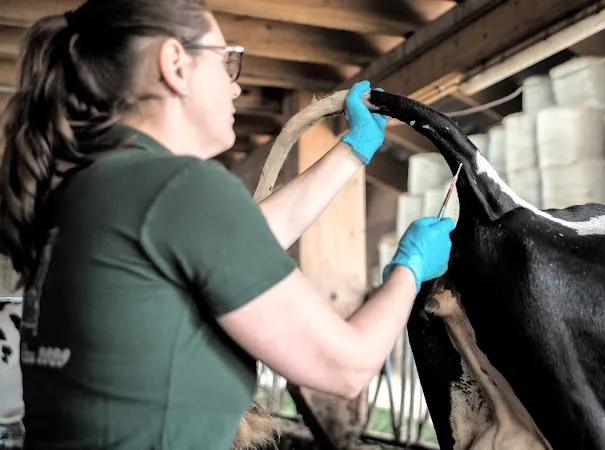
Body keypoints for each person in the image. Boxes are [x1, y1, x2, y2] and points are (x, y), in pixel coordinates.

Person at [0, 1, 456, 449]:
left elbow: (242, 241)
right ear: (175, 63)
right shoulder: (178, 187)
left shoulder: (93, 189)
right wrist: (410, 268)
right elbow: (348, 367)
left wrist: (352, 149)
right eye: (227, 61)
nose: (237, 86)